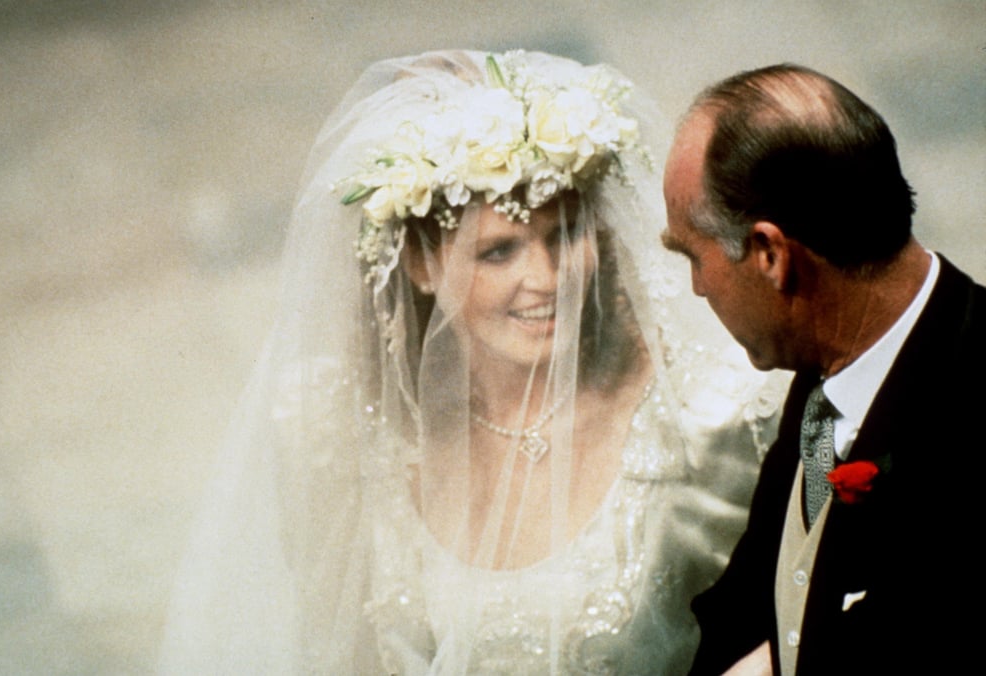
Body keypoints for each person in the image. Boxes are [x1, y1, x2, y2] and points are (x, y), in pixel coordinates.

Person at [158, 50, 784, 674]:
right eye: (498, 252)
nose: (545, 280)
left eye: (565, 235)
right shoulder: (336, 428)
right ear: (422, 264)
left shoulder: (712, 418)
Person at [662, 63, 986, 676]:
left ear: (770, 254)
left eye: (694, 256)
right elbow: (762, 595)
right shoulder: (824, 376)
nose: (697, 288)